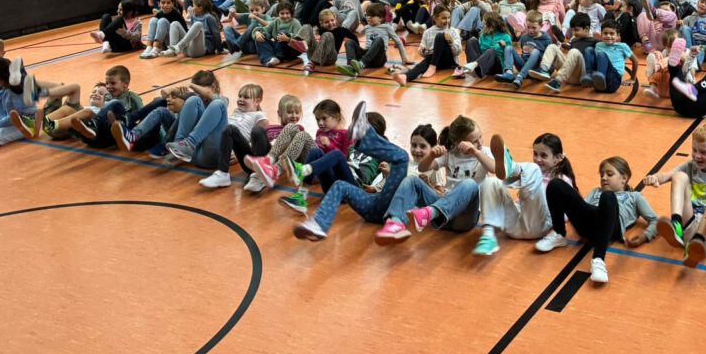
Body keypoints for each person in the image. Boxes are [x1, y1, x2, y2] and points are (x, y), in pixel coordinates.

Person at [293, 103, 412, 241]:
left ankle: (304, 170)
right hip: (368, 204)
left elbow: (392, 180)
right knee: (339, 184)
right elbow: (341, 160)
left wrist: (378, 184)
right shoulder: (354, 148)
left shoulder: (386, 155)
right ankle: (318, 224)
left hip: (384, 203)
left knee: (402, 157)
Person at [535, 156, 659, 285]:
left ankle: (598, 260)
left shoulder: (634, 197)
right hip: (588, 224)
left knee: (608, 196)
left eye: (609, 174)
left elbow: (655, 220)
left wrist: (644, 236)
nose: (604, 178)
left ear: (624, 178)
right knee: (555, 184)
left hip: (611, 227)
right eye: (601, 175)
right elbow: (583, 208)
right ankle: (559, 233)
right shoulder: (596, 191)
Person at [374, 115, 495, 242]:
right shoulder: (450, 154)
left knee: (470, 184)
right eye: (475, 141)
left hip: (464, 218)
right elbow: (422, 168)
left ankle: (431, 212)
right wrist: (431, 155)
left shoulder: (484, 153)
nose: (480, 142)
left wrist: (475, 152)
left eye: (480, 137)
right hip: (442, 217)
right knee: (412, 181)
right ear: (460, 144)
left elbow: (494, 169)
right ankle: (394, 223)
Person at [647, 123, 706, 268]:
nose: (697, 156)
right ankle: (677, 226)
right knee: (679, 176)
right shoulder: (691, 165)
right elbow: (666, 176)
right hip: (689, 226)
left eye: (703, 152)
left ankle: (697, 243)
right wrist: (654, 178)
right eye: (694, 150)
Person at [474, 133, 576, 256]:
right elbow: (508, 186)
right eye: (535, 154)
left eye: (543, 155)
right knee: (491, 182)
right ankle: (488, 236)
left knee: (533, 169)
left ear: (558, 158)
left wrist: (555, 227)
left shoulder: (561, 180)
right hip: (515, 227)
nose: (538, 159)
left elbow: (567, 211)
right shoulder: (531, 173)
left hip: (538, 225)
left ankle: (511, 167)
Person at [198, 83, 269, 188]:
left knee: (230, 129)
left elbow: (260, 141)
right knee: (226, 127)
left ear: (257, 101)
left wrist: (238, 152)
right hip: (223, 144)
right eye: (240, 96)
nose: (241, 99)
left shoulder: (259, 116)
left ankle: (223, 174)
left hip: (248, 157)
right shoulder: (236, 111)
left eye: (246, 97)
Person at [162, 70, 229, 167]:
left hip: (212, 155)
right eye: (196, 91)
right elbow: (165, 93)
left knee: (218, 103)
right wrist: (173, 89)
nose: (198, 93)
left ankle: (189, 143)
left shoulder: (223, 100)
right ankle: (180, 146)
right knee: (193, 99)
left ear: (213, 86)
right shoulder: (197, 100)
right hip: (196, 155)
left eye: (199, 89)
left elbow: (208, 94)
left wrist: (190, 85)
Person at [337, 2, 411, 77]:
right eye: (367, 15)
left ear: (381, 18)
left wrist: (404, 58)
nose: (369, 18)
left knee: (378, 39)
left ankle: (361, 64)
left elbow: (398, 42)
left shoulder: (386, 27)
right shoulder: (367, 27)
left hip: (378, 59)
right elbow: (356, 36)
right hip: (366, 54)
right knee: (349, 42)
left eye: (372, 16)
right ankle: (351, 67)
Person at [581, 20, 637, 94]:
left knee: (601, 55)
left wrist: (633, 78)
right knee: (589, 50)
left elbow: (635, 61)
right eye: (605, 33)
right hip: (598, 86)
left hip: (613, 81)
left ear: (617, 35)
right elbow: (593, 60)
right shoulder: (598, 45)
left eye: (612, 33)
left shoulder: (622, 46)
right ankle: (589, 75)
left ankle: (601, 77)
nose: (608, 36)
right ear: (601, 34)